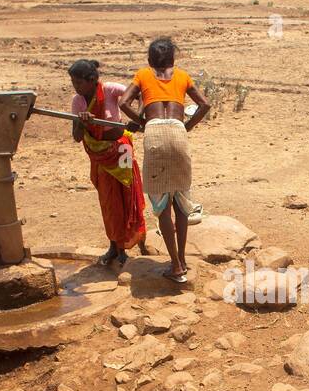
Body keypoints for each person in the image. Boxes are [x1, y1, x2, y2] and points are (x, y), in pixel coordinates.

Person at [119, 37, 211, 283]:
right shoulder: (182, 76)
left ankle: (176, 266)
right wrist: (187, 126)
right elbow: (204, 104)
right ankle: (181, 258)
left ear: (150, 61)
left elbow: (123, 102)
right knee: (181, 202)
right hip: (179, 133)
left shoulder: (142, 75)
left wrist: (142, 122)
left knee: (162, 206)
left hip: (155, 134)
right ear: (173, 60)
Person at [68, 59, 148, 268]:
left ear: (92, 80)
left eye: (79, 82)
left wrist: (137, 118)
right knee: (109, 202)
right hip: (100, 155)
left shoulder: (111, 90)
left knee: (128, 195)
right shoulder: (77, 102)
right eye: (73, 82)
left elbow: (140, 96)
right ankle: (115, 246)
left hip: (120, 150)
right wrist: (81, 122)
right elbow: (76, 137)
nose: (76, 87)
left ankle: (134, 241)